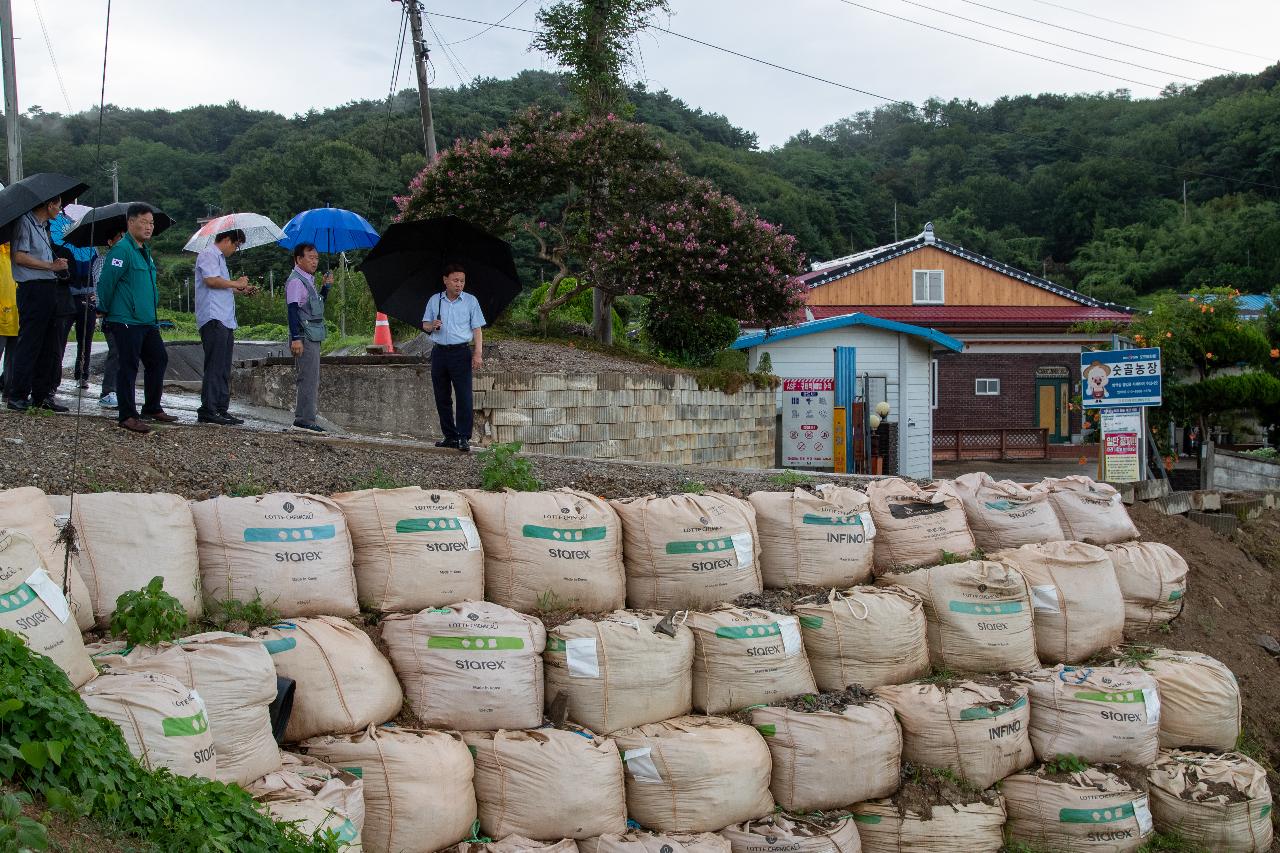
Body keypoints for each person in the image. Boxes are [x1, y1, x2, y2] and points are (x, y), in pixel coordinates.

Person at [96, 204, 177, 434]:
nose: (149, 227)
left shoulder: (144, 252)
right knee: (128, 366)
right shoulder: (121, 250)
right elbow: (107, 281)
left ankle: (152, 407)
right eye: (144, 221)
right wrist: (103, 308)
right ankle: (127, 415)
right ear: (130, 222)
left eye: (151, 223)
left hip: (146, 320)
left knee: (158, 359)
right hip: (125, 319)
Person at [7, 197, 70, 412]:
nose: (60, 210)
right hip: (32, 288)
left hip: (48, 287)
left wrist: (56, 265)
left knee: (49, 344)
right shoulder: (25, 222)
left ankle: (42, 395)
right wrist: (50, 266)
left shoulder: (45, 227)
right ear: (49, 204)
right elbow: (20, 257)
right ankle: (17, 394)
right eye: (58, 205)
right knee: (30, 342)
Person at [421, 263, 485, 452]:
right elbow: (424, 324)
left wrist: (478, 353)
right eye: (455, 280)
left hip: (461, 352)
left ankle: (464, 437)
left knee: (464, 395)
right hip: (439, 352)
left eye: (462, 281)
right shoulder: (435, 300)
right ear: (445, 280)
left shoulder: (470, 301)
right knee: (442, 395)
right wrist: (433, 325)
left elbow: (477, 329)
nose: (459, 284)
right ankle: (449, 435)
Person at [194, 228, 255, 425]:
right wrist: (236, 282)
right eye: (236, 245)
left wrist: (241, 288)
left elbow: (223, 287)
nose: (235, 250)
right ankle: (209, 409)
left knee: (223, 366)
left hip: (225, 319)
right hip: (214, 318)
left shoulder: (221, 260)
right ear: (227, 239)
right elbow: (211, 281)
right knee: (215, 365)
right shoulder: (209, 254)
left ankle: (221, 408)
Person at [50, 205, 98, 389]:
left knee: (85, 339)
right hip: (67, 297)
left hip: (87, 297)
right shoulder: (60, 247)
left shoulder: (91, 249)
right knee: (60, 339)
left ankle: (82, 374)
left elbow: (96, 275)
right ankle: (55, 376)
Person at [285, 242, 331, 433]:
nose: (314, 261)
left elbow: (314, 308)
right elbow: (292, 310)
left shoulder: (308, 279)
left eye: (317, 258)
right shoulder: (297, 281)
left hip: (312, 334)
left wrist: (325, 288)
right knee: (308, 378)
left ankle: (306, 416)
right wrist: (296, 338)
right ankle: (304, 419)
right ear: (298, 259)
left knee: (312, 377)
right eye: (310, 258)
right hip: (304, 336)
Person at [90, 228, 126, 409]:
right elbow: (99, 286)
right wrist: (102, 307)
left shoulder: (130, 258)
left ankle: (120, 391)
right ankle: (108, 392)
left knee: (125, 354)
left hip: (127, 315)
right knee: (116, 352)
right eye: (119, 237)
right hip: (111, 315)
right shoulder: (103, 261)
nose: (123, 240)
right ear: (110, 242)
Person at [0, 242, 16, 400]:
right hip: (1, 316)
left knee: (14, 359)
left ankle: (9, 392)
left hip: (18, 316)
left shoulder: (16, 255)